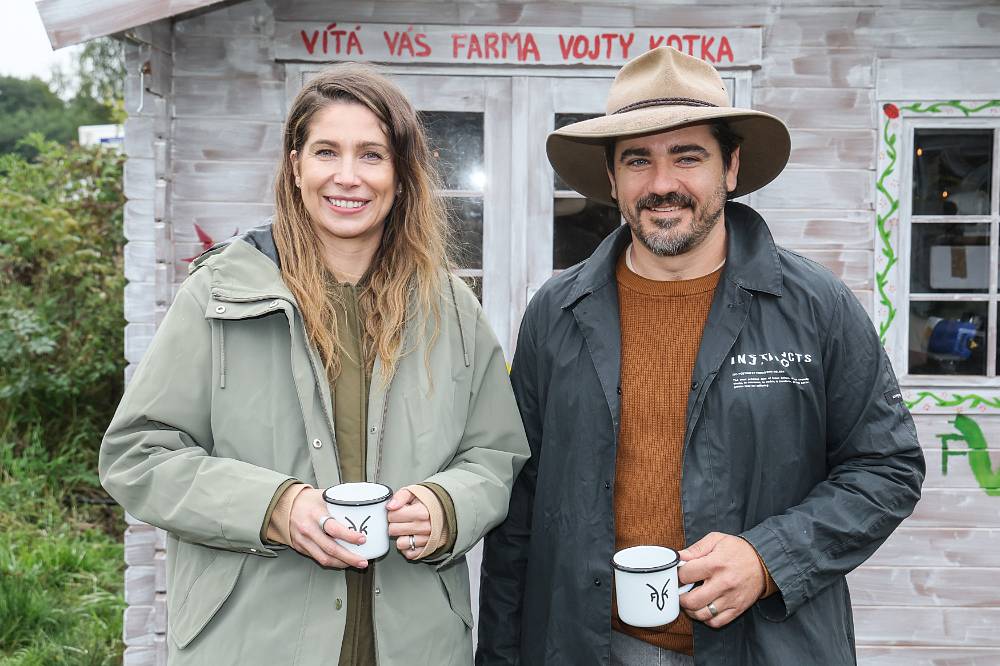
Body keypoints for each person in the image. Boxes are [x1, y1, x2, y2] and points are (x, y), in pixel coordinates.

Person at [476, 47, 924, 666]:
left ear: (730, 167)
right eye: (638, 160)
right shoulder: (555, 312)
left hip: (767, 646)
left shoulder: (816, 306)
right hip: (590, 648)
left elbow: (887, 467)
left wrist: (768, 559)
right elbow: (518, 510)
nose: (662, 184)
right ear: (612, 177)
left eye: (688, 156)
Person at [100, 63, 529, 665]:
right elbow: (138, 455)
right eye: (327, 151)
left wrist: (448, 505)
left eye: (372, 155)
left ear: (401, 174)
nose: (348, 176)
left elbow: (495, 454)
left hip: (417, 644)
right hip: (251, 644)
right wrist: (274, 507)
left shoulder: (451, 308)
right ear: (296, 165)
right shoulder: (218, 295)